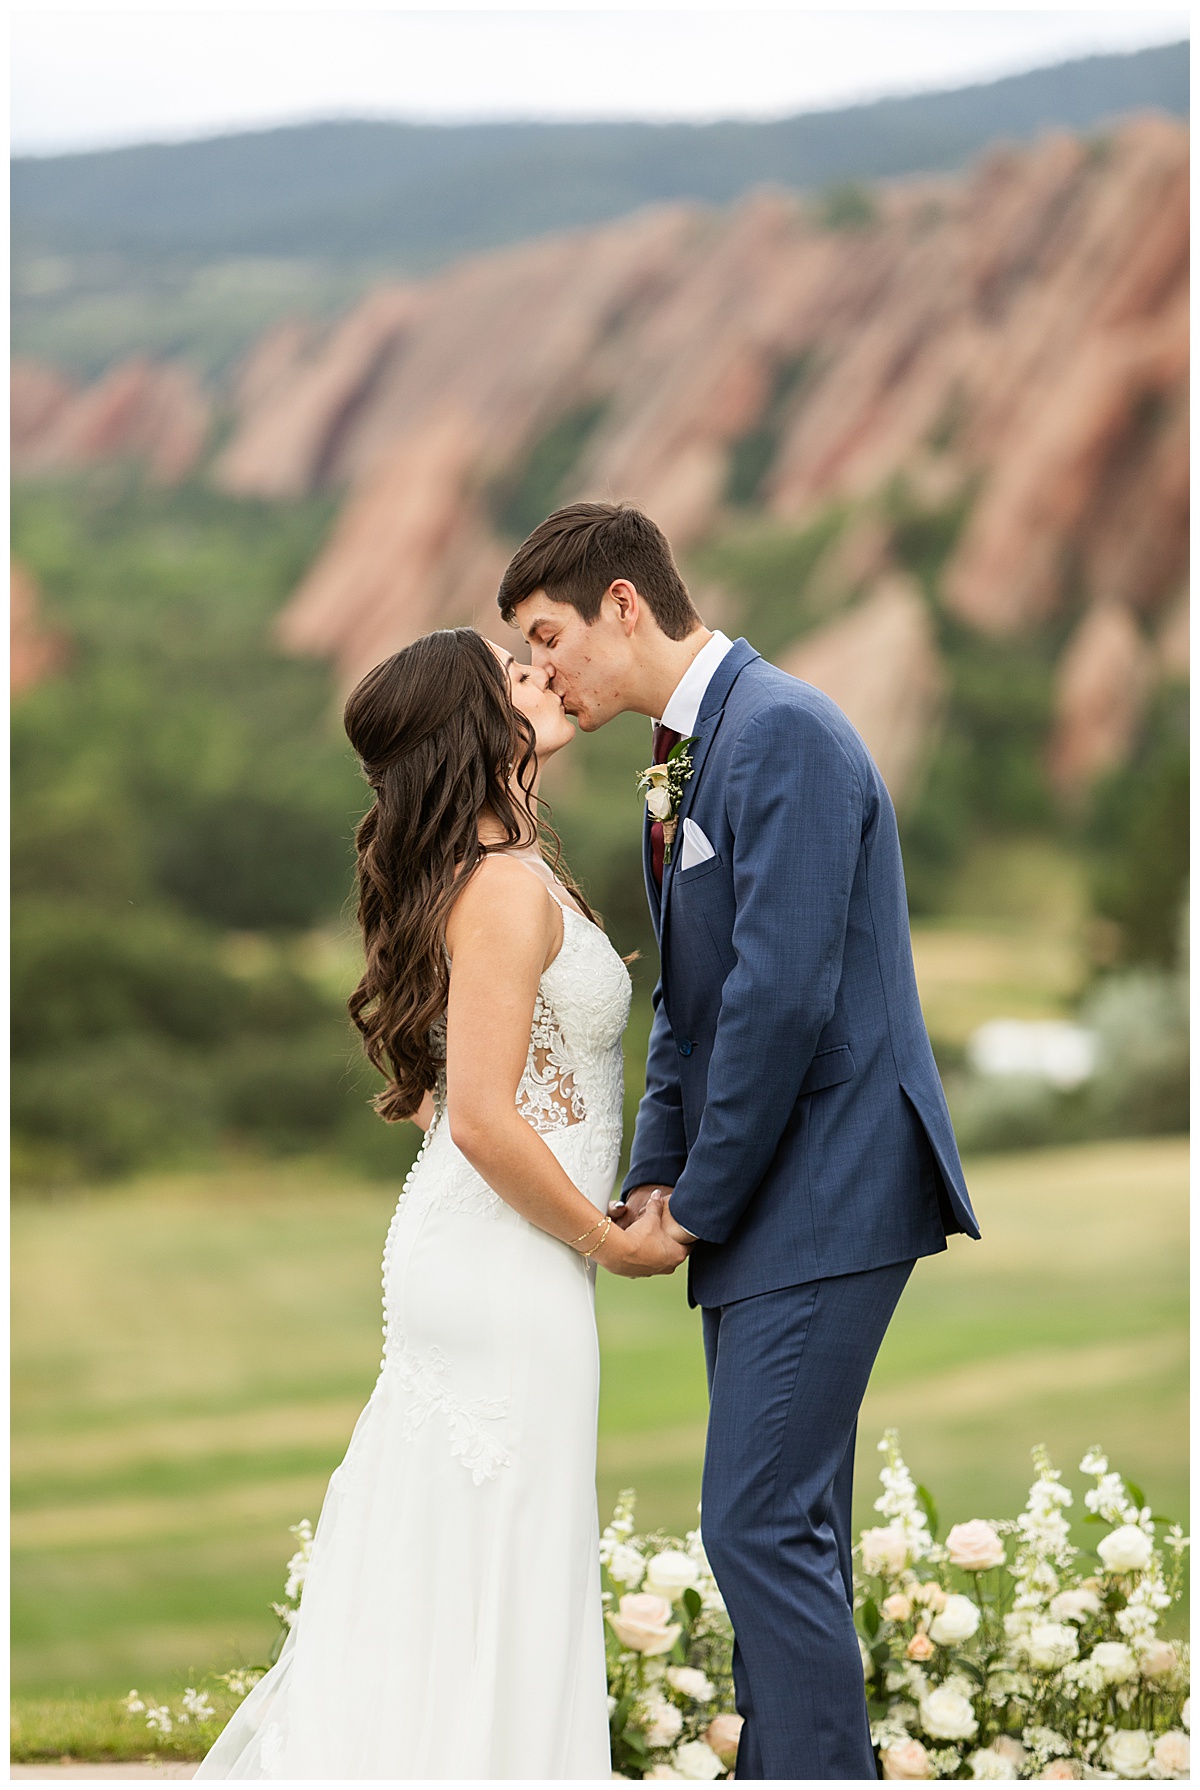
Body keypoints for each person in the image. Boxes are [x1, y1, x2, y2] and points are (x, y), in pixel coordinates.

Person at [499, 501, 982, 1781]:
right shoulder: (684, 755)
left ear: (620, 601)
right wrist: (655, 1171)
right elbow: (693, 1004)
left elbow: (782, 997)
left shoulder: (785, 733)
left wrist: (697, 1202)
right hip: (767, 1194)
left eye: (551, 638)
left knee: (757, 1519)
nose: (545, 674)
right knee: (790, 1520)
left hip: (828, 1182)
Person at [194, 627, 687, 1781]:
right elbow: (475, 1116)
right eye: (517, 672)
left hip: (485, 1252)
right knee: (506, 1557)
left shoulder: (498, 866)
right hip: (507, 1268)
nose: (544, 675)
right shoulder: (504, 888)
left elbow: (456, 1099)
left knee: (476, 1559)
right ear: (481, 724)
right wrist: (604, 1237)